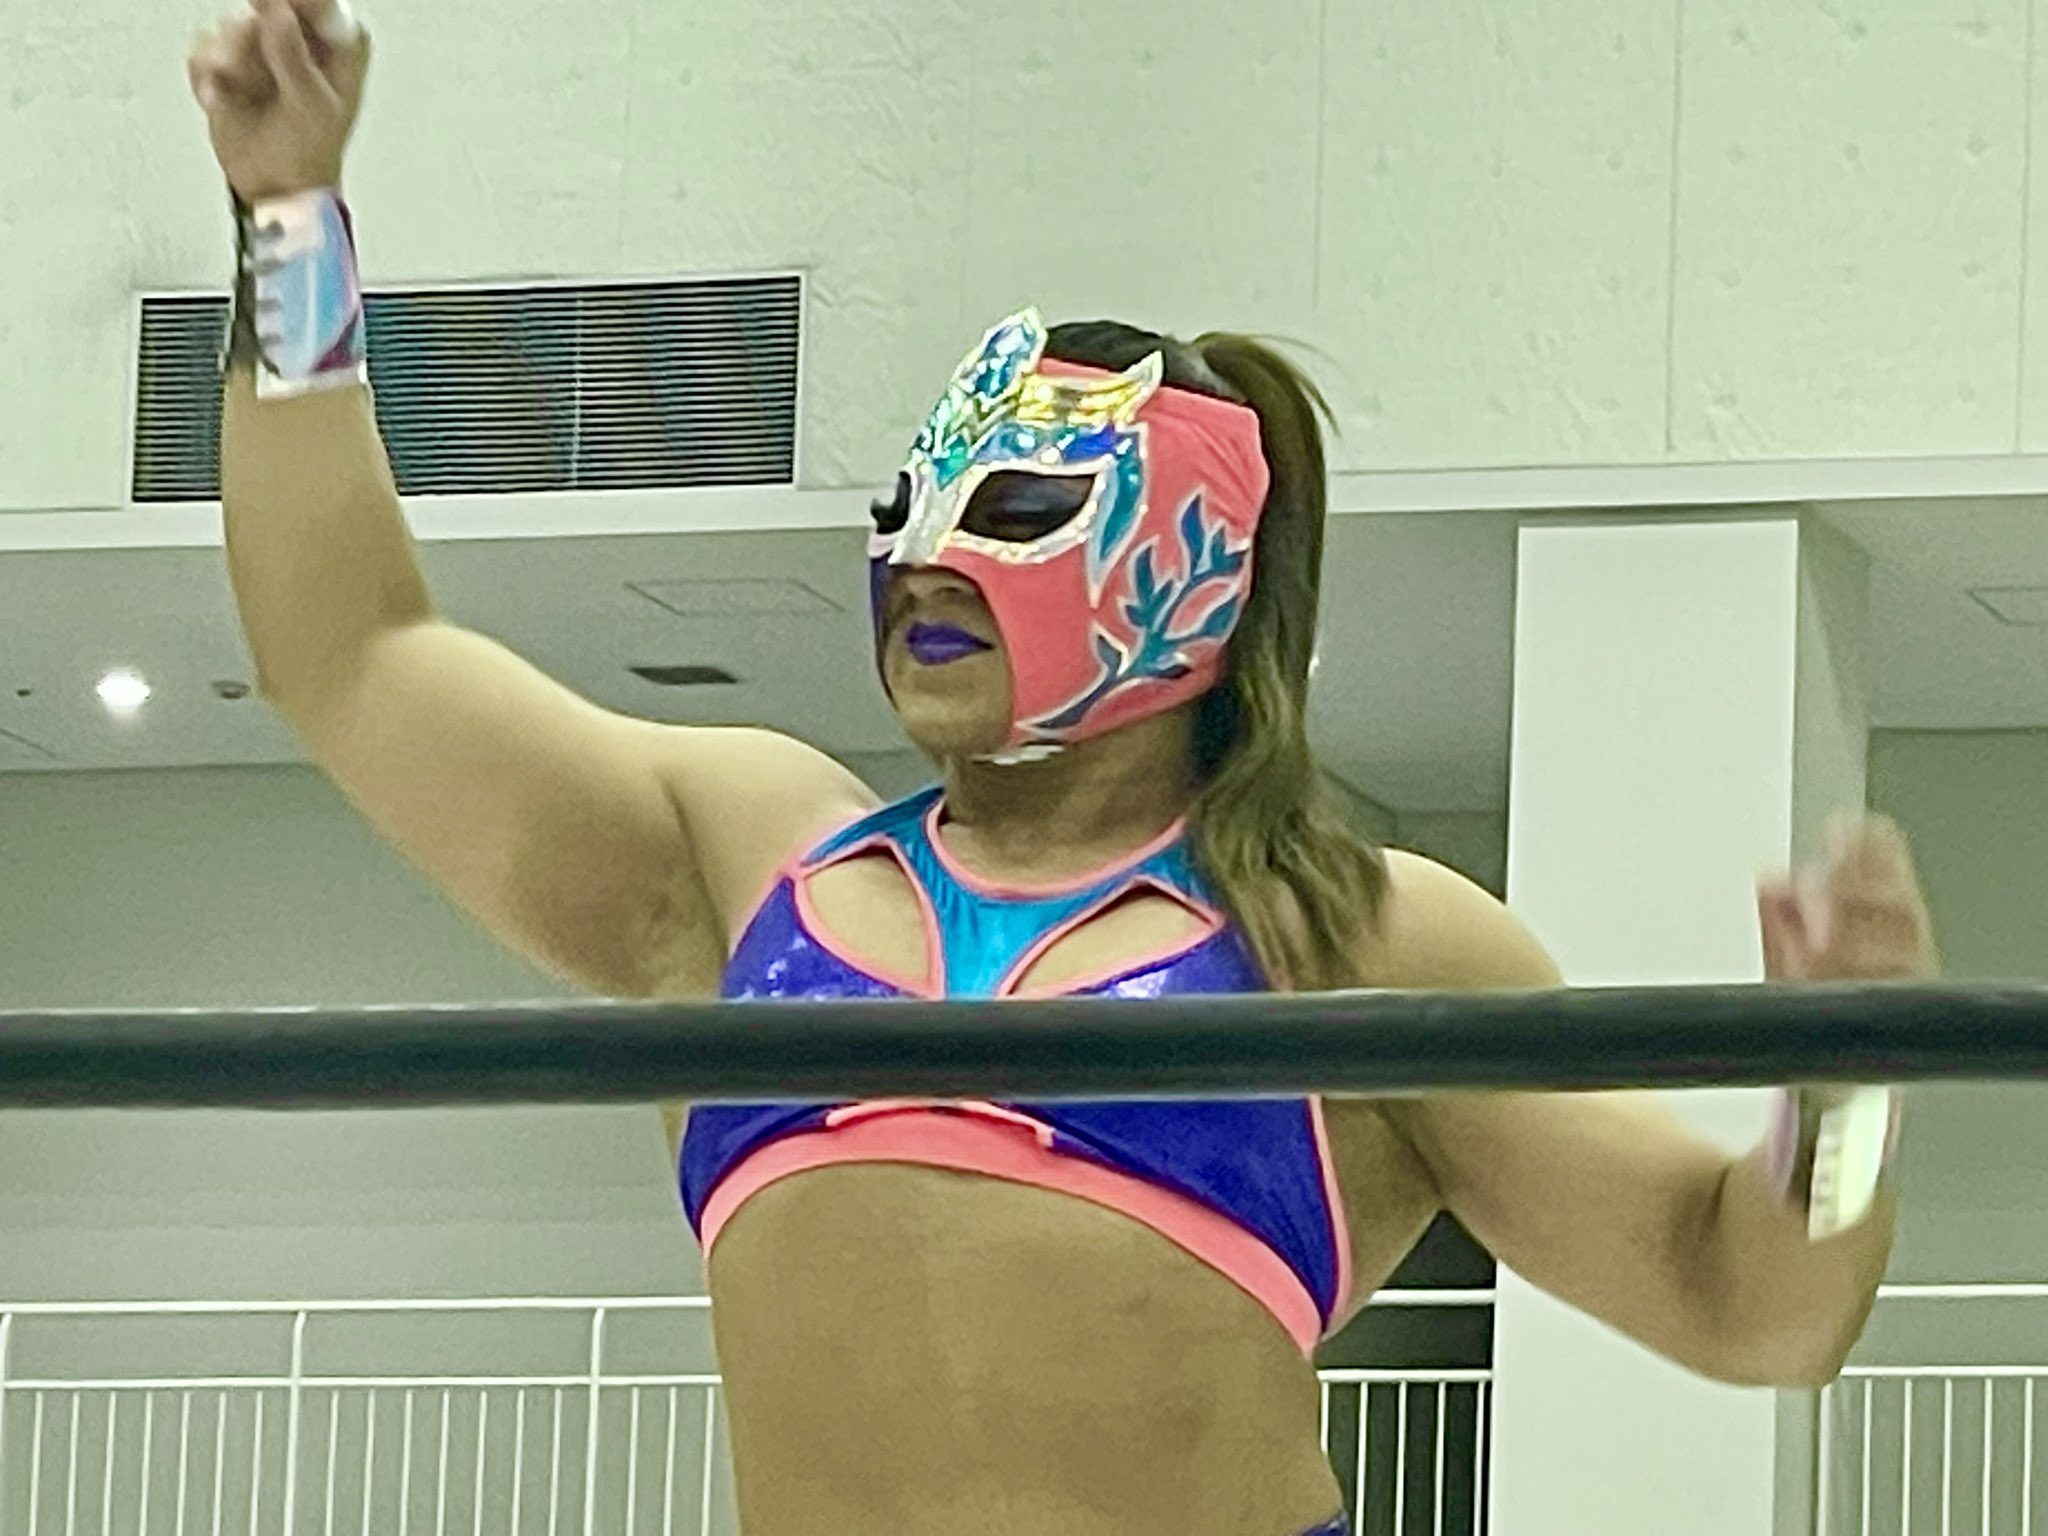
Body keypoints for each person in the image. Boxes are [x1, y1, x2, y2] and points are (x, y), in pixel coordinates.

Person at [187, 3, 1936, 1531]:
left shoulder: (1352, 941)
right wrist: (287, 225)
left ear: (1203, 574)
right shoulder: (741, 862)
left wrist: (1849, 1090)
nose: (929, 563)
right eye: (910, 510)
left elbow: (1752, 1305)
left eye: (1017, 511)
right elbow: (350, 653)